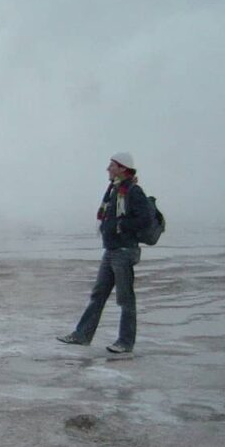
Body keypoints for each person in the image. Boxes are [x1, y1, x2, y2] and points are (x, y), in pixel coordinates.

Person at [57, 152, 153, 355]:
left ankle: (125, 342)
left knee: (125, 299)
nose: (108, 169)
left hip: (124, 251)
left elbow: (144, 219)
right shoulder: (114, 189)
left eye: (112, 165)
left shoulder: (133, 191)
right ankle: (82, 335)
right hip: (111, 251)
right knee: (98, 295)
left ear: (122, 168)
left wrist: (120, 225)